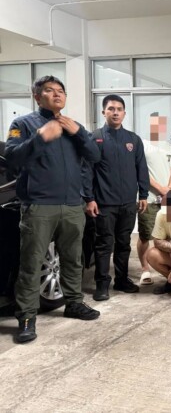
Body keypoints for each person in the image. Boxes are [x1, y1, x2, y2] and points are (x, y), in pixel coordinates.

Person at [5, 75, 101, 343]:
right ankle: (26, 317)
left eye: (61, 91)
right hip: (39, 206)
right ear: (37, 97)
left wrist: (78, 133)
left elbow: (94, 156)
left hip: (72, 205)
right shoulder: (23, 124)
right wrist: (40, 138)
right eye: (49, 90)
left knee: (72, 259)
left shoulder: (73, 126)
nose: (57, 94)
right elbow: (12, 158)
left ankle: (74, 303)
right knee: (31, 263)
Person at [83, 94, 150, 301]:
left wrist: (143, 194)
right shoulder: (95, 138)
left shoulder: (133, 139)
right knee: (104, 244)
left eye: (119, 109)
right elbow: (87, 171)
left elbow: (141, 168)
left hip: (128, 203)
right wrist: (89, 198)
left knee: (123, 243)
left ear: (124, 113)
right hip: (104, 203)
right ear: (103, 112)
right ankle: (102, 284)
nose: (115, 112)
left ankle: (121, 280)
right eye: (111, 109)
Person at [137, 113, 171, 286]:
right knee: (145, 235)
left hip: (168, 200)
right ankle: (145, 269)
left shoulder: (170, 147)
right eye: (155, 123)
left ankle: (168, 267)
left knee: (169, 237)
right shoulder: (143, 145)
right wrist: (160, 189)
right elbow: (141, 171)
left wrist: (170, 188)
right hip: (149, 199)